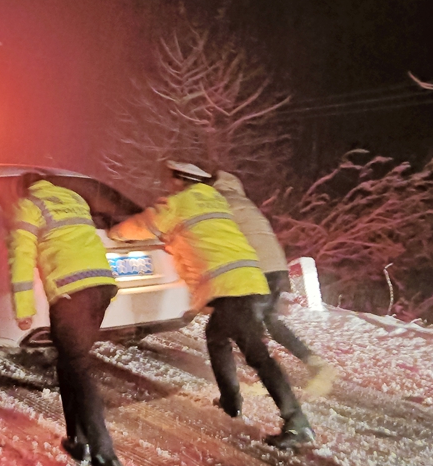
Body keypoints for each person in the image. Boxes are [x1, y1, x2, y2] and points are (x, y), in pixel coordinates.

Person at [108, 161, 315, 448]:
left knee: (257, 355)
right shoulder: (215, 200)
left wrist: (114, 234)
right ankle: (232, 401)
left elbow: (140, 226)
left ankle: (296, 422)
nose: (169, 185)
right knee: (217, 337)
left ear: (180, 181)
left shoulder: (178, 203)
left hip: (230, 288)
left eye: (172, 180)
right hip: (249, 280)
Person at [9, 172, 123, 466]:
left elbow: (20, 257)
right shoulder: (73, 199)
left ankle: (105, 457)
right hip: (100, 287)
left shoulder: (27, 206)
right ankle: (77, 439)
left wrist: (23, 309)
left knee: (78, 368)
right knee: (70, 362)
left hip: (71, 293)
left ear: (24, 188)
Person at [212, 170, 336, 397]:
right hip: (276, 268)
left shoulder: (219, 202)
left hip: (254, 270)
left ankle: (267, 375)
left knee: (243, 324)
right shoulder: (244, 203)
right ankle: (315, 363)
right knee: (269, 320)